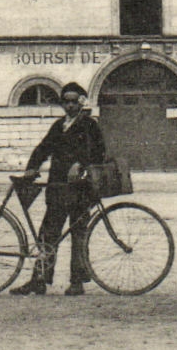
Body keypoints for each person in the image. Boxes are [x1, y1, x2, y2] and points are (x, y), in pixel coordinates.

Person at [10, 81, 107, 296]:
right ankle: (39, 279)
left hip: (81, 189)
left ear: (81, 102)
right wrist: (32, 167)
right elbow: (43, 148)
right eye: (66, 101)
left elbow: (99, 153)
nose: (70, 106)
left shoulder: (90, 125)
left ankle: (77, 282)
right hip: (57, 188)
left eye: (74, 101)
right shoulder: (58, 125)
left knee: (79, 234)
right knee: (48, 234)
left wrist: (80, 164)